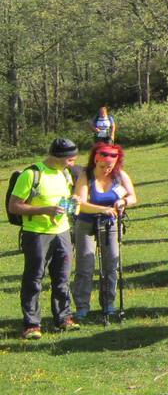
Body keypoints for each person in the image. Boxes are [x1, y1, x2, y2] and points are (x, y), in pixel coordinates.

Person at [8, 139, 101, 339]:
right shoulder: (31, 174)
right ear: (57, 157)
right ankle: (32, 324)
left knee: (63, 277)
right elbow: (14, 206)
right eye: (70, 159)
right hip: (36, 234)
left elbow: (64, 201)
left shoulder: (65, 173)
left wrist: (73, 201)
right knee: (34, 279)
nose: (73, 164)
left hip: (63, 232)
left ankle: (63, 319)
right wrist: (44, 210)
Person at [71, 142, 136, 320]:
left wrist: (123, 202)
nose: (107, 169)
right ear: (95, 160)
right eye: (102, 166)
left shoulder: (120, 175)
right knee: (85, 265)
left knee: (111, 265)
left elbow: (132, 197)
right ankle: (82, 307)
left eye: (110, 166)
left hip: (111, 224)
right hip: (86, 224)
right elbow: (81, 204)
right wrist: (101, 209)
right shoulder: (86, 176)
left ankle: (109, 304)